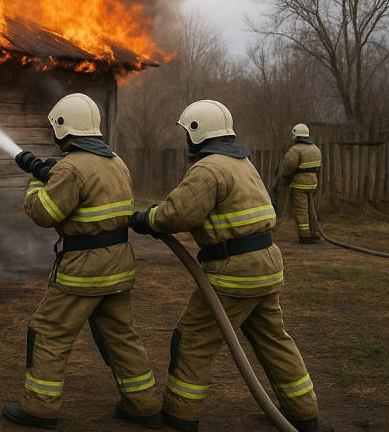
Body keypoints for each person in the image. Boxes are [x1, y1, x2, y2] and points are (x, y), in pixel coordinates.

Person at [129, 100, 319, 432]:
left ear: (196, 133)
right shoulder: (242, 162)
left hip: (235, 270)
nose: (186, 139)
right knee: (274, 339)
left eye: (187, 132)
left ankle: (180, 414)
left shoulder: (208, 168)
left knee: (193, 338)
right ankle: (304, 413)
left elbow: (179, 214)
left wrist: (147, 218)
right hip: (267, 263)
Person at [1, 93, 162, 430]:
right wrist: (53, 174)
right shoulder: (116, 161)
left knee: (49, 332)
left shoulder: (72, 168)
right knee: (121, 335)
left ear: (62, 128)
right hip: (118, 264)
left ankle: (40, 408)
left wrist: (36, 180)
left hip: (84, 270)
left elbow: (45, 213)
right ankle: (143, 405)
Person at [280, 123, 322, 243]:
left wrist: (286, 181)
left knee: (301, 209)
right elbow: (319, 169)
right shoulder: (316, 149)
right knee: (311, 208)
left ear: (296, 136)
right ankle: (314, 233)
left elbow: (288, 169)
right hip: (313, 183)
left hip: (299, 184)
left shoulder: (295, 150)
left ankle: (305, 236)